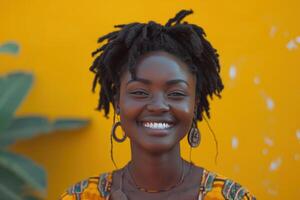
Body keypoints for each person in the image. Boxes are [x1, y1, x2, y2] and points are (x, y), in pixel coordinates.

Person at [60, 9, 256, 200]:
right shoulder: (82, 196)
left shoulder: (228, 196)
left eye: (176, 93)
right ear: (117, 102)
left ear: (195, 104)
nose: (158, 105)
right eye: (139, 92)